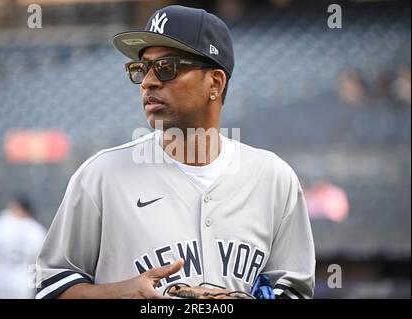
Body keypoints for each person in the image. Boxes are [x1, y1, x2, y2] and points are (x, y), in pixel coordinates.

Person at [35, 5, 315, 299]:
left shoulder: (273, 179)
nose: (148, 81)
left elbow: (294, 290)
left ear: (215, 83)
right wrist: (118, 293)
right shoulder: (100, 177)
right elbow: (51, 289)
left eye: (166, 67)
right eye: (141, 68)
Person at [0, 194, 46, 298]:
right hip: (22, 289)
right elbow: (40, 266)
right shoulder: (38, 230)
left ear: (17, 207)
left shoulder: (1, 223)